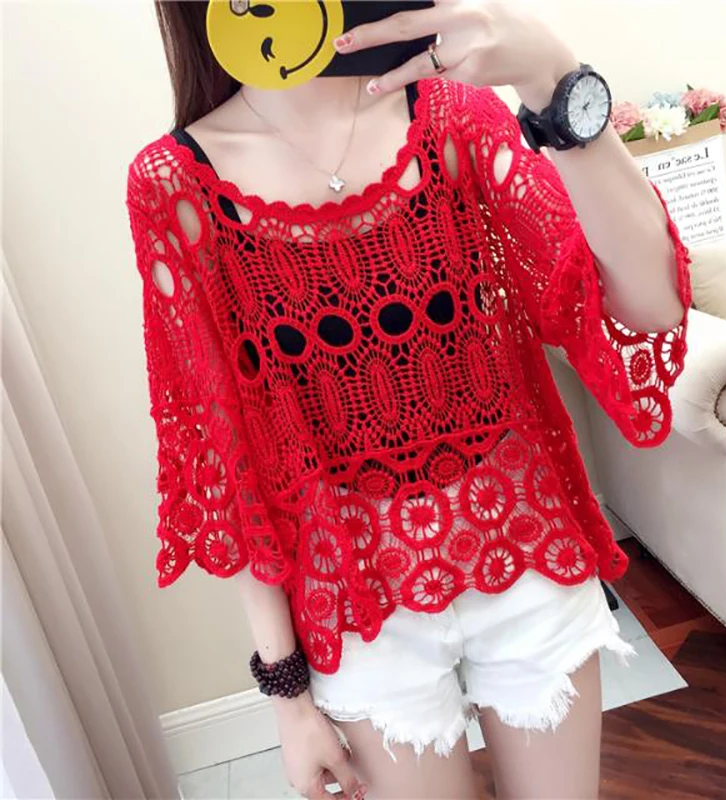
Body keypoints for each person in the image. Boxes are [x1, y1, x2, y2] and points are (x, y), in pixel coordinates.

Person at [125, 2, 691, 798]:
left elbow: (650, 307)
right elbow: (228, 459)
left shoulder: (456, 120)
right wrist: (288, 699)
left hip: (522, 542)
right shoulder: (176, 186)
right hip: (357, 598)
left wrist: (554, 79)